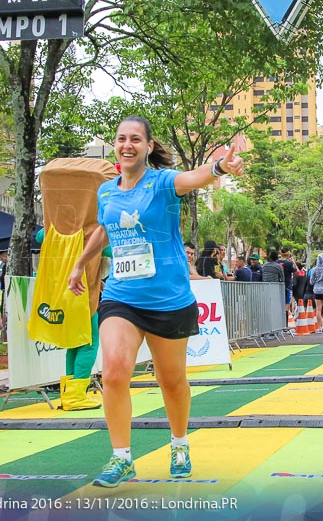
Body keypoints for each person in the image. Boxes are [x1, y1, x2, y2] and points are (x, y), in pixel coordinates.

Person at [67, 115, 244, 488]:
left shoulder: (163, 183)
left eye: (135, 139)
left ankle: (179, 444)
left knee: (172, 380)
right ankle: (121, 458)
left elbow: (194, 177)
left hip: (167, 298)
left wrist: (219, 167)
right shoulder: (106, 191)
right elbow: (104, 228)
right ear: (115, 146)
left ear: (148, 146)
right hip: (121, 296)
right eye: (121, 139)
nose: (127, 145)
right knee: (114, 371)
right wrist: (80, 264)